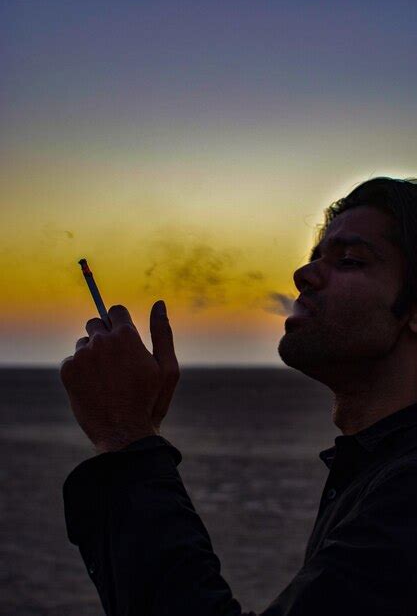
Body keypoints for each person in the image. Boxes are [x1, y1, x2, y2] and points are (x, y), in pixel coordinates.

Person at [61, 176, 417, 616]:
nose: (302, 275)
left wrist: (127, 440)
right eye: (313, 258)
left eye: (349, 260)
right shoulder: (379, 471)